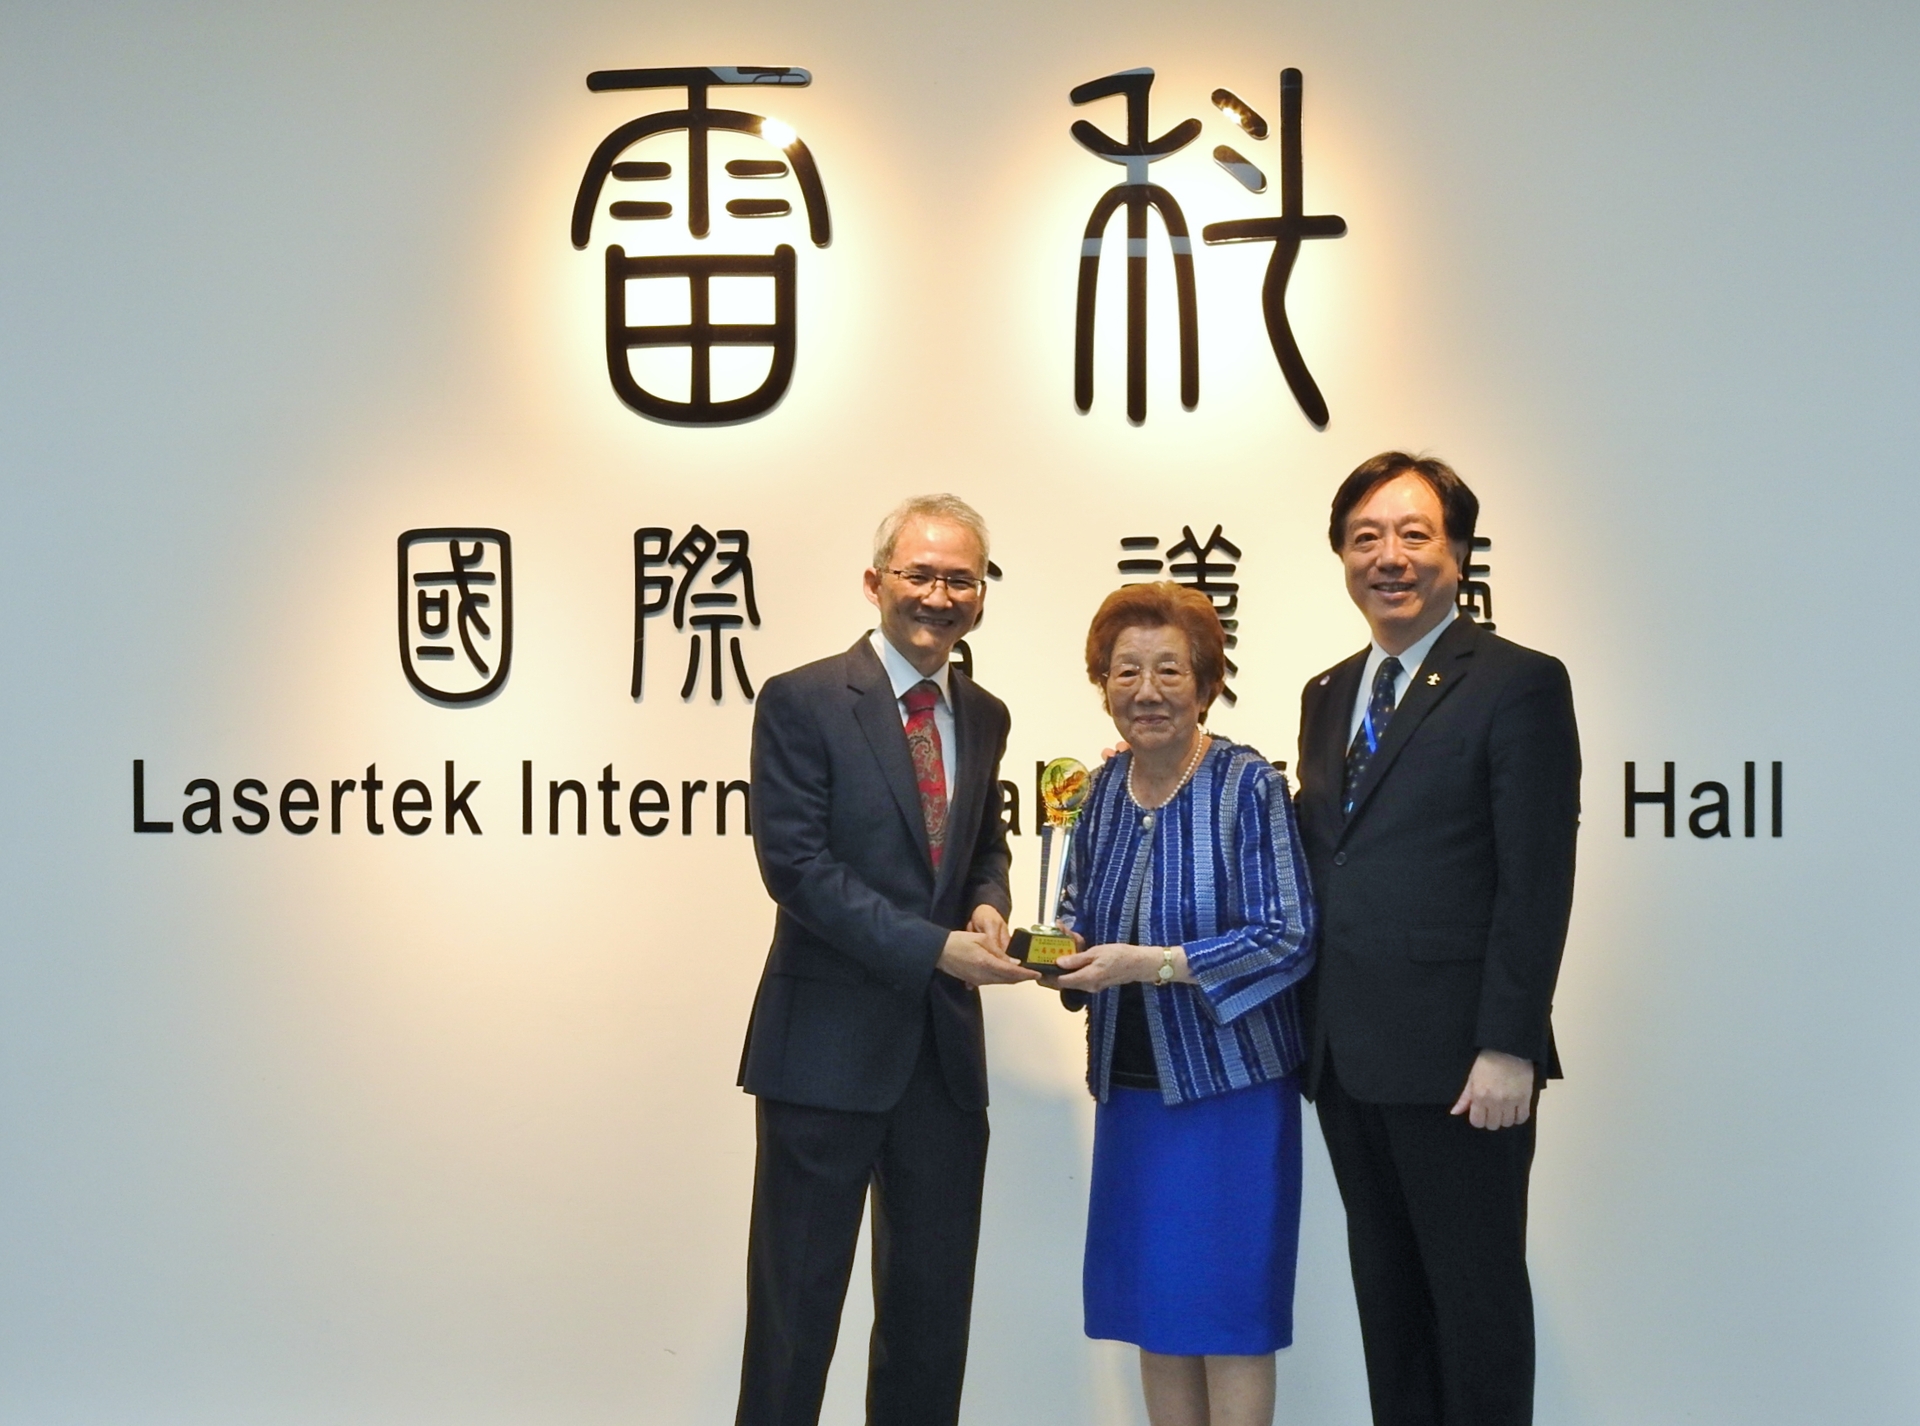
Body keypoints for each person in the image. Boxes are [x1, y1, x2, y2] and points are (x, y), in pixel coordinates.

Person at [734, 494, 1038, 1426]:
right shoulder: (802, 698)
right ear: (877, 583)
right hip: (822, 1055)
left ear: (982, 596)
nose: (940, 595)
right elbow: (798, 870)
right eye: (920, 574)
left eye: (961, 578)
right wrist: (936, 949)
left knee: (930, 1319)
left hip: (942, 1067)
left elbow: (983, 843)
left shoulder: (985, 714)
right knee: (795, 1321)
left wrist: (989, 904)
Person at [1295, 452, 1581, 1426]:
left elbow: (1536, 876)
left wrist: (1508, 1040)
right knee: (1393, 1310)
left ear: (1459, 552)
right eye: (1366, 536)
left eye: (1414, 534)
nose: (1390, 557)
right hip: (1347, 1058)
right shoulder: (1328, 691)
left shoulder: (1518, 684)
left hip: (1465, 1063)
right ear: (1341, 553)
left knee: (1476, 1308)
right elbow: (1320, 848)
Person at [1050, 581, 1316, 1426]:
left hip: (1230, 1095)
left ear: (1206, 683)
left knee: (1231, 1319)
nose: (1147, 690)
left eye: (1171, 669)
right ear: (1103, 684)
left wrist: (1157, 964)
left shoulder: (1246, 785)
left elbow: (1288, 934)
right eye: (1126, 671)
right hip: (1131, 1095)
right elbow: (1078, 914)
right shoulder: (1097, 793)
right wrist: (1046, 956)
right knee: (1155, 1315)